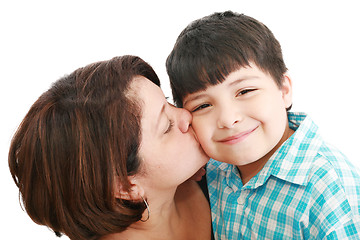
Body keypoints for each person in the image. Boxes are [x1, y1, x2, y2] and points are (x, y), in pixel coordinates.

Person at [166, 10, 360, 239]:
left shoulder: (327, 186)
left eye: (245, 91)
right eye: (202, 106)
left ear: (284, 90)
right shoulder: (214, 168)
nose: (228, 119)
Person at [8, 55, 212, 240]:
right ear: (125, 186)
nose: (186, 114)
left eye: (167, 102)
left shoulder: (217, 171)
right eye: (167, 126)